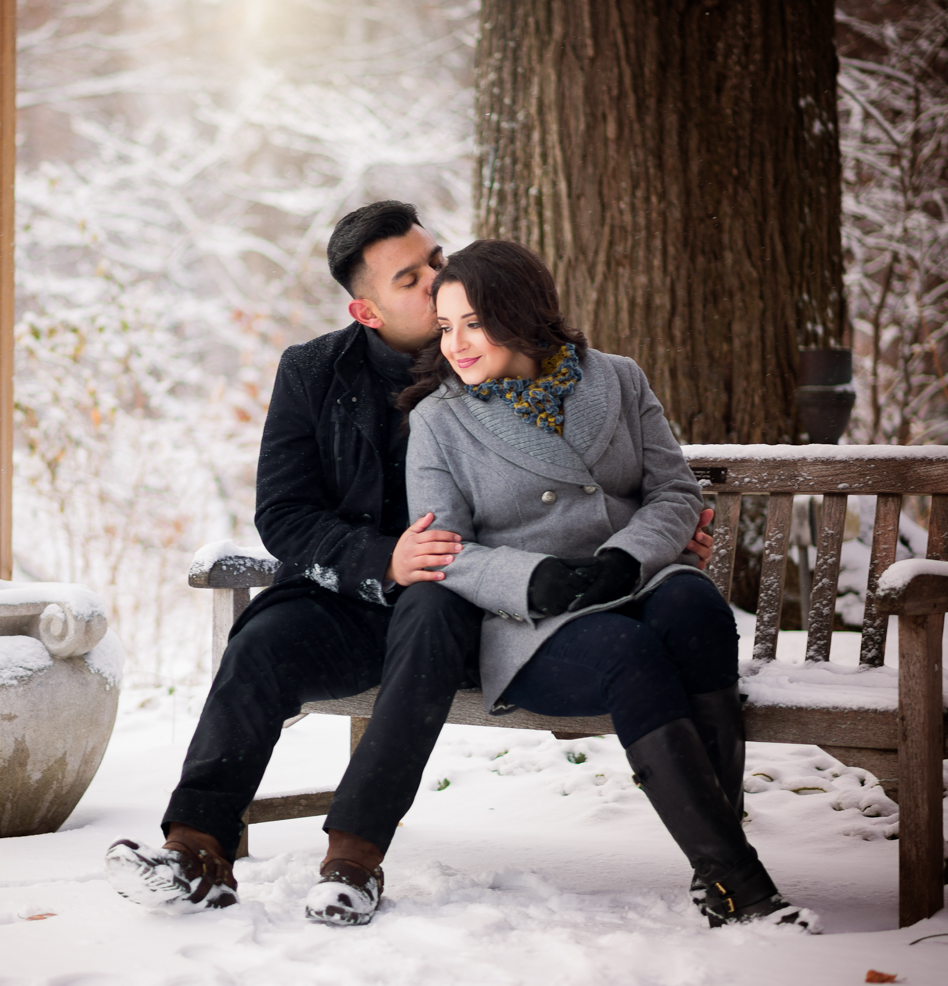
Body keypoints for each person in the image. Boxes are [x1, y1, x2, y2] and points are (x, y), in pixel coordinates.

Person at [103, 202, 715, 927]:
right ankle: (194, 851)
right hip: (356, 594)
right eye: (411, 277)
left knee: (429, 609)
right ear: (366, 309)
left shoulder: (492, 359)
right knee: (263, 641)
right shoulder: (312, 373)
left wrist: (642, 540)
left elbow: (583, 477)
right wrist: (380, 559)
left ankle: (352, 860)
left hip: (472, 601)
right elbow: (284, 514)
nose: (437, 280)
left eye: (436, 259)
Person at [397, 238, 816, 931]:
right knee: (629, 652)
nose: (457, 344)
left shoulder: (616, 378)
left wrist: (627, 556)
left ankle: (715, 865)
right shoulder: (440, 420)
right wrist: (535, 580)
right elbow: (445, 550)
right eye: (445, 326)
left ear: (522, 313)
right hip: (533, 622)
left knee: (696, 604)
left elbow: (675, 492)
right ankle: (741, 881)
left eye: (473, 322)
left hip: (637, 580)